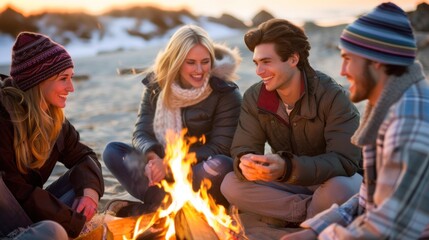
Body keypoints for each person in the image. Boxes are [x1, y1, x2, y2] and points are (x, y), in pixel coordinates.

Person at [281, 2, 429, 239]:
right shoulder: (388, 105)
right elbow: (366, 200)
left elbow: (385, 233)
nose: (342, 70)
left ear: (377, 61)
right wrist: (315, 230)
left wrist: (322, 237)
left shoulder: (410, 123)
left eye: (348, 58)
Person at [220, 18, 363, 227]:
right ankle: (310, 214)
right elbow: (243, 146)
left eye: (267, 62)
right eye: (257, 63)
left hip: (333, 180)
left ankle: (290, 214)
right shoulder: (255, 97)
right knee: (230, 183)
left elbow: (346, 161)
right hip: (289, 182)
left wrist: (288, 167)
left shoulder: (332, 96)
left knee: (339, 189)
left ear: (293, 59)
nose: (259, 72)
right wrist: (246, 162)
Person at [103, 24, 242, 214]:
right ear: (176, 61)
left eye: (205, 61)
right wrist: (153, 159)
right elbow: (141, 132)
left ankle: (156, 207)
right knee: (113, 151)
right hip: (161, 172)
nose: (200, 70)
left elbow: (221, 147)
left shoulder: (225, 93)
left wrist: (170, 164)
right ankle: (164, 203)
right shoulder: (156, 87)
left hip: (199, 172)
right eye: (190, 62)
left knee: (221, 164)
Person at [0, 32, 104, 239]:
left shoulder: (52, 117)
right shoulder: (3, 118)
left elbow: (84, 156)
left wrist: (90, 195)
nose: (71, 88)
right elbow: (16, 190)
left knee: (82, 185)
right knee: (54, 232)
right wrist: (72, 221)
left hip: (29, 213)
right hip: (6, 219)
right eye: (63, 79)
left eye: (71, 78)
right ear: (38, 81)